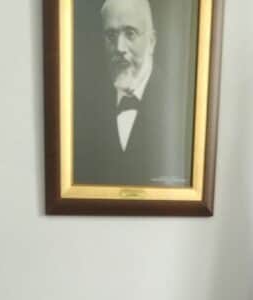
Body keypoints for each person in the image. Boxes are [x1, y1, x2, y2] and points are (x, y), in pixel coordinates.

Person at [74, 0, 192, 187]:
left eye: (130, 33)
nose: (119, 47)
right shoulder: (83, 107)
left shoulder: (182, 105)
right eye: (111, 35)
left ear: (151, 42)